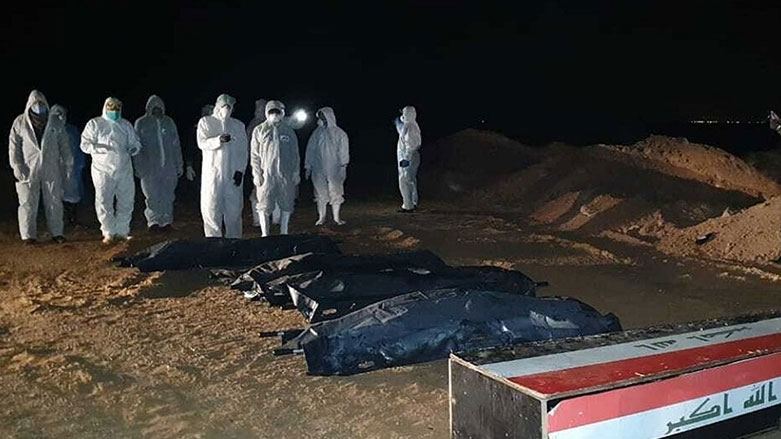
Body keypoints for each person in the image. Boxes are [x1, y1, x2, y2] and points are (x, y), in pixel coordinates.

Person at [8, 90, 73, 244]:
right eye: (35, 103)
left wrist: (68, 163)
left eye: (41, 103)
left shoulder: (55, 121)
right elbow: (14, 146)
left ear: (46, 104)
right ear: (29, 105)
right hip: (28, 168)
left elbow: (64, 144)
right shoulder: (20, 122)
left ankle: (57, 233)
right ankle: (28, 236)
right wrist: (17, 165)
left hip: (52, 167)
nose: (38, 106)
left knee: (54, 200)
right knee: (27, 202)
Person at [80, 97, 142, 243]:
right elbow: (84, 144)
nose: (114, 110)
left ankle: (122, 231)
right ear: (105, 107)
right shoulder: (95, 124)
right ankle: (108, 232)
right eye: (111, 107)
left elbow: (135, 142)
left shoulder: (125, 125)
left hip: (124, 168)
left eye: (116, 108)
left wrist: (134, 148)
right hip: (102, 170)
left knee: (126, 200)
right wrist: (99, 149)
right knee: (104, 201)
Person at [197, 94, 248, 238]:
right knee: (211, 209)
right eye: (224, 106)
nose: (227, 109)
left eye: (229, 107)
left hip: (232, 175)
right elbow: (202, 143)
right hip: (213, 176)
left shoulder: (238, 125)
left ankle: (234, 241)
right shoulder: (206, 122)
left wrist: (240, 170)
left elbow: (243, 150)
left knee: (234, 210)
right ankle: (213, 241)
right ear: (217, 106)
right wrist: (218, 140)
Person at [251, 100, 301, 236]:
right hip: (266, 174)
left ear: (282, 113)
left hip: (286, 174)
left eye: (277, 112)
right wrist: (256, 173)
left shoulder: (288, 131)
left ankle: (284, 232)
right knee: (264, 204)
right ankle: (264, 234)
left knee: (287, 202)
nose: (275, 115)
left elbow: (295, 153)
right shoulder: (259, 130)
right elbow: (254, 155)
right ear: (267, 113)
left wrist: (296, 172)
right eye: (272, 112)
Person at [133, 95, 183, 232]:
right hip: (149, 167)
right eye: (154, 108)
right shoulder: (141, 123)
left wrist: (179, 164)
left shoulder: (169, 122)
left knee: (168, 194)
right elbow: (137, 147)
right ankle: (153, 222)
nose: (157, 110)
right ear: (148, 108)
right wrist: (138, 166)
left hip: (168, 166)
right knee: (151, 195)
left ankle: (166, 221)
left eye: (159, 108)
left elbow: (176, 145)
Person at [304, 107, 349, 225]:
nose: (322, 119)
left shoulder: (339, 133)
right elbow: (310, 149)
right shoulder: (317, 133)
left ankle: (336, 218)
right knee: (320, 192)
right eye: (321, 117)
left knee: (336, 191)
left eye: (324, 117)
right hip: (318, 167)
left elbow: (344, 150)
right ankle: (322, 217)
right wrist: (308, 165)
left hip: (334, 167)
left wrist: (343, 165)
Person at [51, 105, 86, 228]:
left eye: (62, 114)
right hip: (55, 167)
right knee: (56, 193)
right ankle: (60, 221)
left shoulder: (72, 130)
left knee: (73, 193)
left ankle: (73, 219)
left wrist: (80, 163)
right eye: (57, 114)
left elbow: (80, 147)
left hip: (72, 167)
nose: (60, 117)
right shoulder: (48, 131)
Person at [395, 105, 422, 212]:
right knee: (411, 180)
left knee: (404, 180)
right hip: (412, 155)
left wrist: (406, 158)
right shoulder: (412, 124)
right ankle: (413, 202)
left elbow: (410, 144)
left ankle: (408, 206)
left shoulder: (409, 127)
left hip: (407, 156)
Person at [246, 99, 268, 228]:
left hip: (272, 164)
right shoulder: (254, 125)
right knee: (257, 189)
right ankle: (257, 219)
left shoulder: (272, 124)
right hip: (257, 163)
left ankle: (275, 218)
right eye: (258, 108)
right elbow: (248, 145)